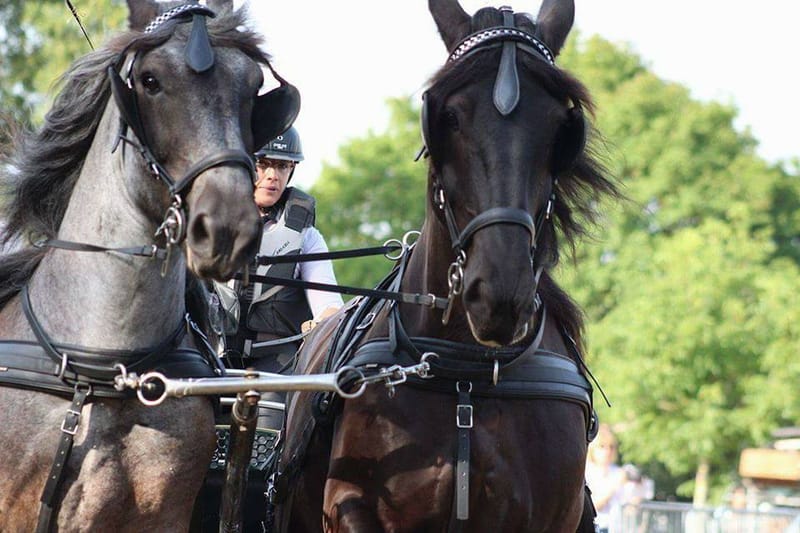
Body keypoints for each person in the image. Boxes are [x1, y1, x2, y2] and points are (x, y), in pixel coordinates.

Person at [585, 423, 628, 533]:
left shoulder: (618, 471)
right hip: (596, 527)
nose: (607, 451)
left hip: (618, 527)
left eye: (611, 447)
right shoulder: (587, 472)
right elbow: (593, 506)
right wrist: (614, 486)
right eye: (602, 446)